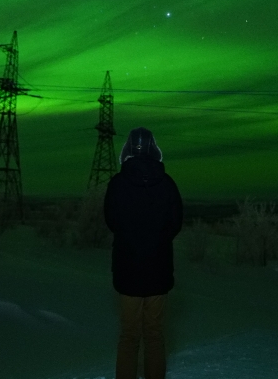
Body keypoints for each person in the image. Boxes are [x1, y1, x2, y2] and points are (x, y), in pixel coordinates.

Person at [103, 127, 183, 379]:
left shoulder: (117, 184)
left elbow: (111, 221)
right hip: (158, 271)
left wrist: (131, 238)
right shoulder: (168, 184)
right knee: (154, 334)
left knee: (129, 336)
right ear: (153, 148)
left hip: (128, 271)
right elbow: (175, 223)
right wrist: (156, 241)